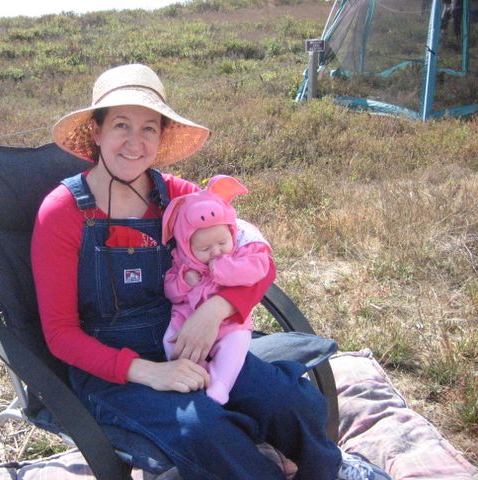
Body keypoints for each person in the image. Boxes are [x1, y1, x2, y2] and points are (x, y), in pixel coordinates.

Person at [31, 63, 392, 480]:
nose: (135, 142)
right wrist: (152, 373)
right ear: (97, 132)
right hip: (112, 373)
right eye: (121, 125)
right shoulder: (62, 213)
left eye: (149, 128)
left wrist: (213, 311)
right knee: (202, 430)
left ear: (161, 137)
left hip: (193, 345)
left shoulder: (181, 198)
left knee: (285, 399)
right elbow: (60, 335)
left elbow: (259, 261)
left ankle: (330, 470)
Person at [161, 174, 272, 405]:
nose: (216, 252)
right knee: (171, 341)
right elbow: (171, 288)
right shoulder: (184, 261)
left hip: (229, 324)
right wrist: (184, 282)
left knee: (292, 400)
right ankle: (195, 374)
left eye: (222, 243)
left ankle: (220, 383)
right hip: (180, 323)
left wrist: (216, 309)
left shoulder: (184, 194)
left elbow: (263, 266)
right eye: (205, 249)